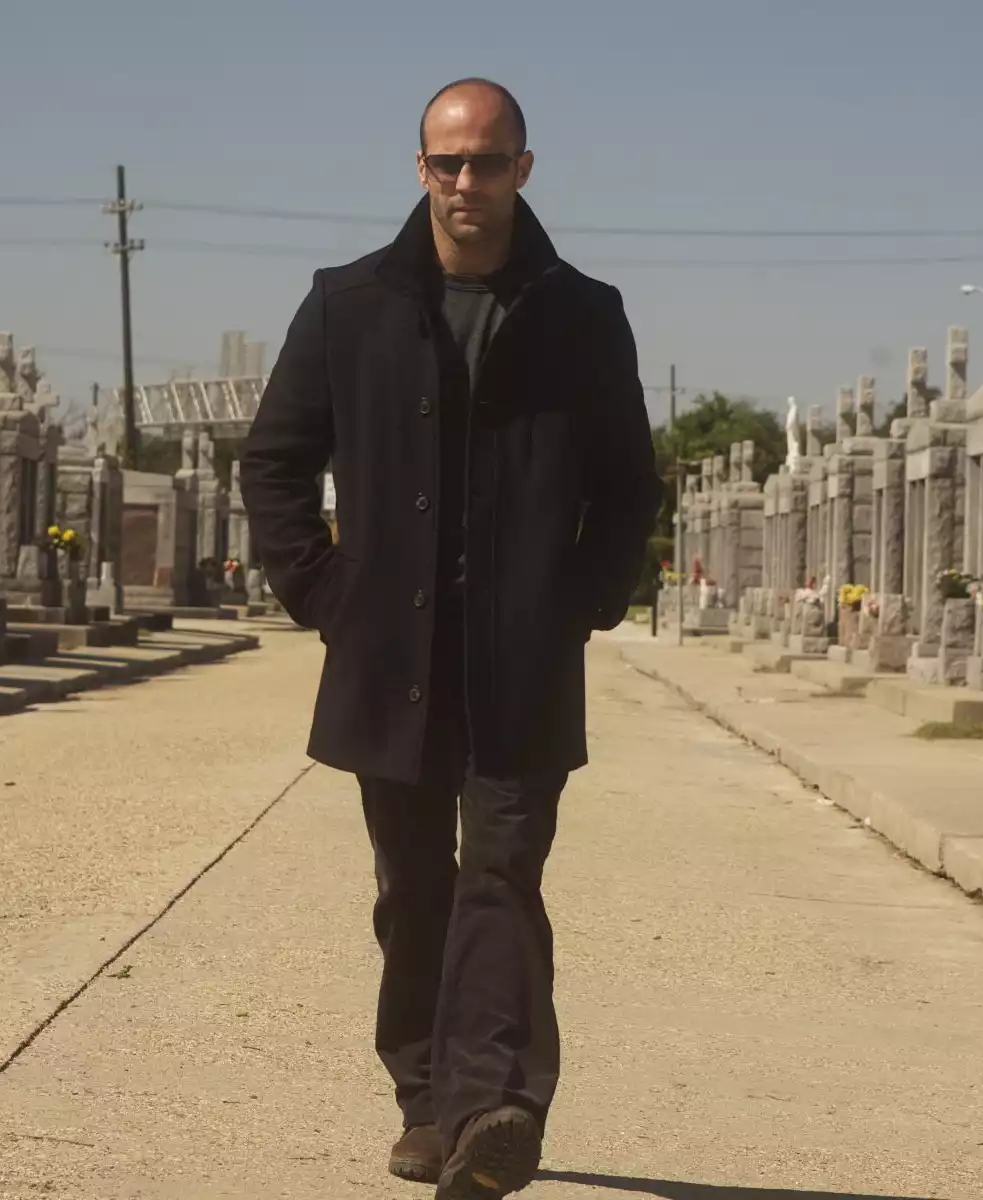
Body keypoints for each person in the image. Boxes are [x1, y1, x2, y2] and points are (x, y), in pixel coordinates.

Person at [240, 77, 662, 1199]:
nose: (466, 181)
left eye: (486, 161)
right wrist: (327, 596)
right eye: (447, 161)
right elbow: (274, 461)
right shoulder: (349, 304)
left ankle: (496, 1106)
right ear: (420, 168)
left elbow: (628, 483)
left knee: (504, 873)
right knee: (413, 883)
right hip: (394, 655)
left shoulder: (583, 313)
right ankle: (427, 1101)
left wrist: (581, 601)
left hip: (522, 657)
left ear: (524, 167)